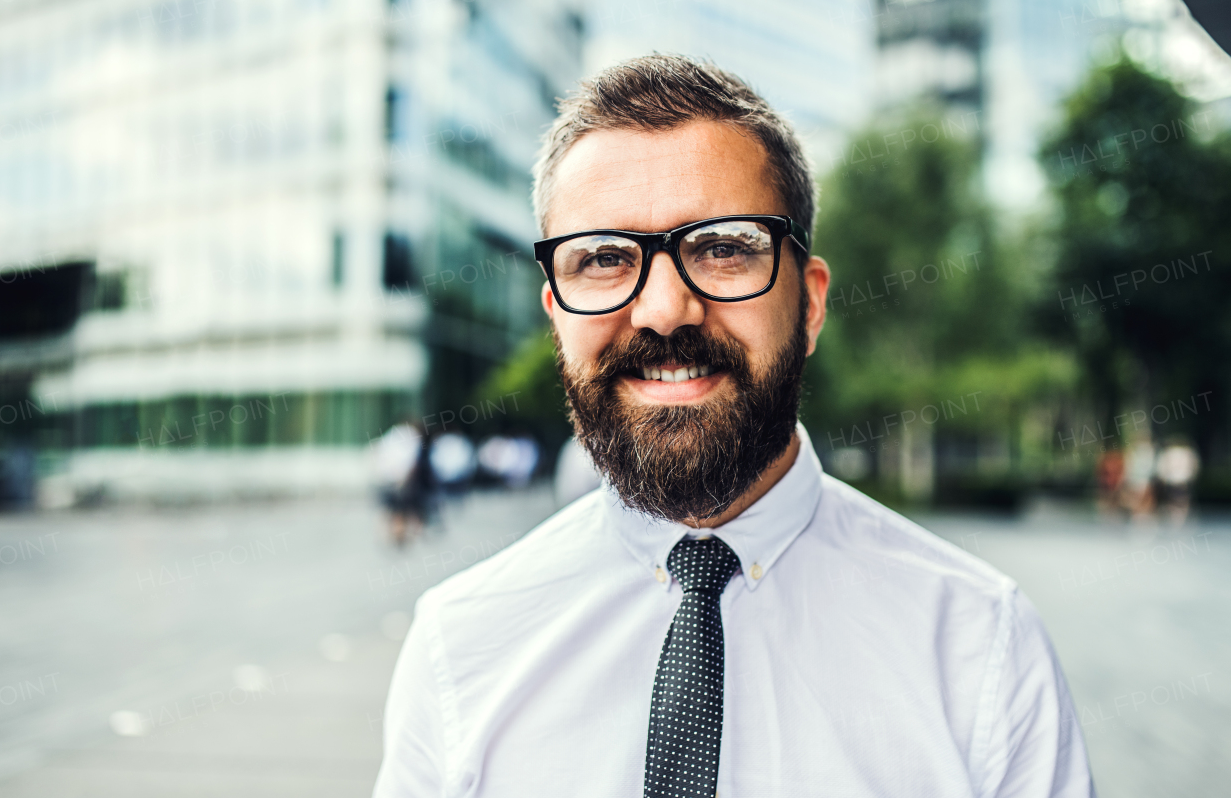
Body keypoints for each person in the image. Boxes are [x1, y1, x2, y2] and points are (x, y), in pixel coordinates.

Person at [374, 55, 1094, 797]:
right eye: (604, 258)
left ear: (809, 304)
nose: (662, 309)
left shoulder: (980, 645)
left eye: (723, 248)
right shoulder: (459, 647)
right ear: (556, 314)